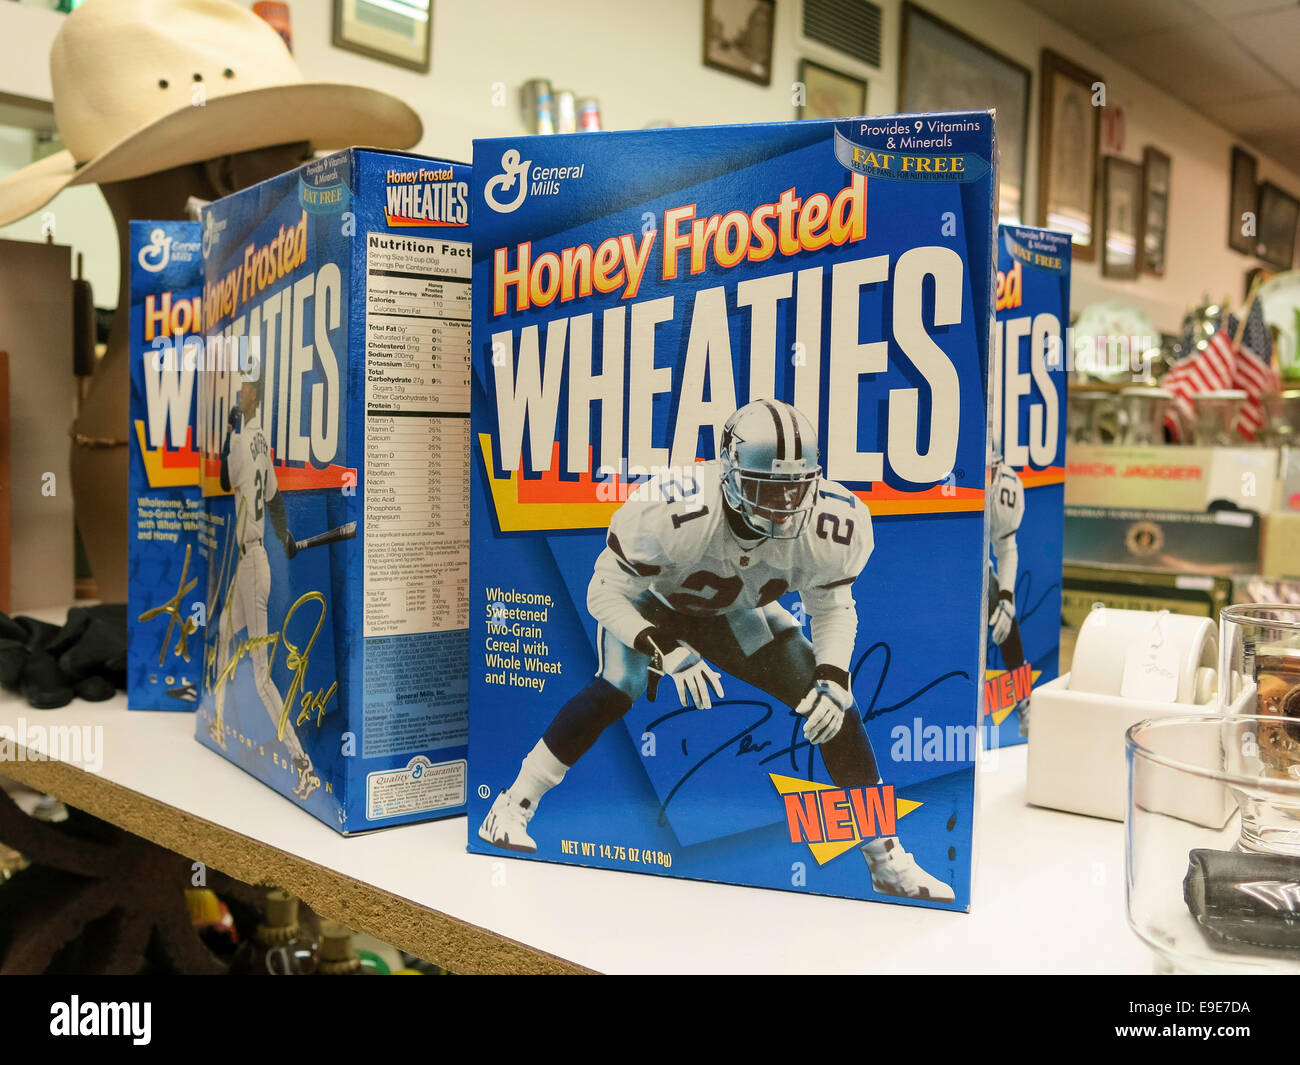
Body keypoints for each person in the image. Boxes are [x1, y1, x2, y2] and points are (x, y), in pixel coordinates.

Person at [479, 399, 954, 903]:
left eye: (794, 488)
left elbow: (833, 607)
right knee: (619, 688)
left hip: (730, 611)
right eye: (764, 488)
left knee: (835, 705)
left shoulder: (832, 524)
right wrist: (664, 647)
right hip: (651, 604)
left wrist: (835, 677)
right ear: (728, 474)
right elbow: (603, 592)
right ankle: (511, 805)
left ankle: (885, 858)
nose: (781, 505)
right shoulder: (673, 509)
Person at [209, 363, 317, 800]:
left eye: (249, 388)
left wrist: (227, 434)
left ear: (258, 395)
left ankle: (302, 764)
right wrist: (286, 535)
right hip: (248, 562)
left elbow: (222, 479)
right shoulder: (259, 439)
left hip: (254, 567)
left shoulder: (242, 436)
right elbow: (272, 499)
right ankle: (218, 725)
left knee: (259, 675)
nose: (243, 393)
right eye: (242, 386)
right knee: (220, 633)